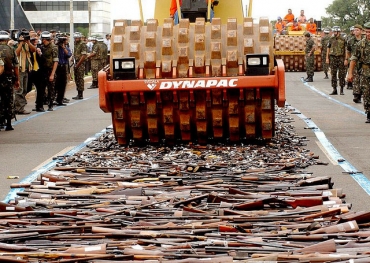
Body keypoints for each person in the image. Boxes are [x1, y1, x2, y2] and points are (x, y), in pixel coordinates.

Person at [348, 22, 370, 122]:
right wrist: (350, 73)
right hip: (365, 72)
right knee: (366, 93)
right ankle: (369, 113)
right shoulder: (360, 44)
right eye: (367, 32)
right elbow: (354, 59)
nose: (368, 34)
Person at [0, 31, 20, 131]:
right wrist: (17, 79)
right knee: (8, 100)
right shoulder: (11, 50)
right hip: (8, 78)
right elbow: (16, 66)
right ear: (7, 40)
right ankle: (8, 123)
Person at [35, 31, 58, 112]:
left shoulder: (53, 47)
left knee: (51, 88)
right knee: (41, 88)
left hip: (50, 69)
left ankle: (50, 104)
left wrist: (52, 74)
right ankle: (41, 103)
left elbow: (55, 61)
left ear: (45, 39)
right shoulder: (41, 47)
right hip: (42, 70)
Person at [14, 30, 36, 115]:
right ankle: (18, 108)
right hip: (19, 69)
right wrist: (20, 43)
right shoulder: (15, 45)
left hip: (26, 69)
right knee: (19, 89)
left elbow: (33, 50)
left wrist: (28, 42)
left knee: (25, 89)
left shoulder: (27, 44)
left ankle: (20, 106)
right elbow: (16, 53)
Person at [326, 26, 346, 95]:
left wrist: (346, 59)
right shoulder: (331, 39)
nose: (334, 33)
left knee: (341, 74)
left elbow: (346, 49)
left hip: (341, 57)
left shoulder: (343, 39)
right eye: (333, 31)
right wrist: (327, 58)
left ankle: (342, 89)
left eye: (335, 31)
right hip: (333, 57)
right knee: (333, 74)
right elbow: (328, 48)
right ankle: (334, 89)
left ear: (338, 32)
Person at [346, 25, 363, 103]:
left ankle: (361, 93)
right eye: (354, 30)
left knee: (363, 79)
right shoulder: (351, 40)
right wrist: (348, 59)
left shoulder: (364, 40)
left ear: (361, 31)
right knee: (355, 79)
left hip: (364, 63)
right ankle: (357, 95)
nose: (355, 32)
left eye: (357, 30)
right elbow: (348, 51)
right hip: (354, 62)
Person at [54, 34, 72, 106]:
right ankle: (52, 99)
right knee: (55, 84)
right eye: (63, 40)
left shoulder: (66, 47)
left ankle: (60, 100)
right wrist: (57, 44)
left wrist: (63, 48)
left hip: (63, 66)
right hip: (56, 67)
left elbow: (69, 55)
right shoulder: (55, 47)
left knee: (62, 84)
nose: (65, 41)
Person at [72, 32, 87, 100]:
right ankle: (78, 93)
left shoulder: (82, 44)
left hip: (80, 63)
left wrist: (78, 64)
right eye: (75, 38)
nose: (76, 39)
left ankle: (80, 94)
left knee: (80, 78)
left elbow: (83, 55)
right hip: (76, 62)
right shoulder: (75, 44)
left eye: (77, 38)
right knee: (76, 78)